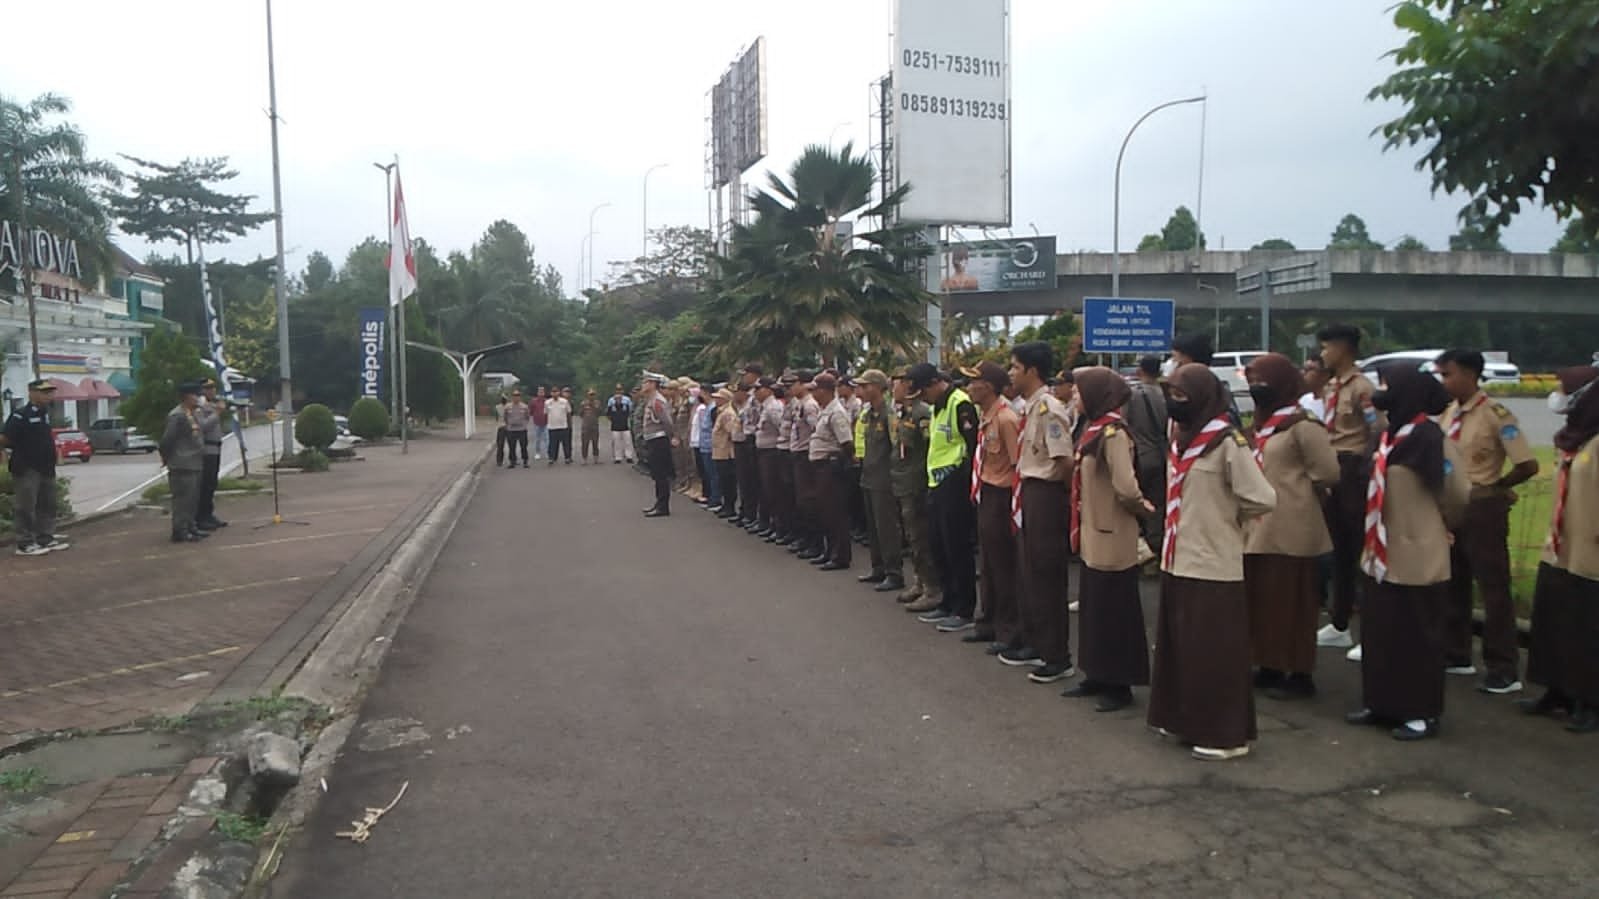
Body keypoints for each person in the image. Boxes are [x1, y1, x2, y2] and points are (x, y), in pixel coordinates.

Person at [1148, 364, 1277, 760]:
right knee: (1181, 648)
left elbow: (1262, 498)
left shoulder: (1225, 442)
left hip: (1212, 562)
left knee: (1214, 650)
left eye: (1181, 396)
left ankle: (1225, 734)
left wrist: (1226, 519)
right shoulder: (1180, 440)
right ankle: (1186, 720)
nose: (1174, 403)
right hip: (1177, 558)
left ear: (1202, 397)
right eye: (1171, 395)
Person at [1347, 366, 1467, 742]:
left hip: (1417, 553)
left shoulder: (1431, 439)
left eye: (1388, 386)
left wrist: (1439, 524)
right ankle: (1381, 702)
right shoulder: (1386, 435)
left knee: (1417, 636)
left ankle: (1421, 712)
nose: (1380, 392)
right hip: (1380, 552)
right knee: (1381, 632)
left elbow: (1458, 493)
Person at [1437, 348, 1540, 695]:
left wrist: (1499, 487)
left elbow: (1527, 464)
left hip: (1482, 505)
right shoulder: (1449, 413)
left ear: (1469, 374)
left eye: (1448, 374)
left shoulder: (1495, 414)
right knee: (1454, 581)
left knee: (1492, 587)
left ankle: (1503, 667)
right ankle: (1457, 652)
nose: (1444, 381)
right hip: (1453, 506)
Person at [1242, 354, 1340, 701]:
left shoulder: (1302, 425)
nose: (1256, 387)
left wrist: (1299, 490)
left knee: (1293, 603)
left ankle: (1299, 673)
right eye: (1252, 380)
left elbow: (1328, 472)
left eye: (1262, 380)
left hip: (1293, 526)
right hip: (1257, 526)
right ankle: (1269, 665)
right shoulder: (1259, 424)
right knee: (1264, 602)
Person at [1063, 366, 1154, 712]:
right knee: (1095, 607)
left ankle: (1119, 684)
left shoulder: (1114, 433)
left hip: (1112, 532)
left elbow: (1126, 487)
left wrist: (1143, 509)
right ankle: (1096, 674)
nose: (1074, 395)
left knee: (1115, 609)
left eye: (1079, 391)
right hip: (1094, 532)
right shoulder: (1094, 429)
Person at [1523, 366, 1599, 733]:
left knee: (1588, 625)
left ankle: (1591, 701)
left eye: (1565, 391)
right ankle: (1557, 690)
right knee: (1555, 619)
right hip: (1560, 548)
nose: (1558, 397)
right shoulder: (1574, 439)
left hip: (1591, 552)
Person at [1005, 344, 1077, 683]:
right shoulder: (1030, 407)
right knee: (1030, 572)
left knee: (1047, 576)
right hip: (1030, 493)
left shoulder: (1049, 408)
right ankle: (1037, 643)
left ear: (1032, 371)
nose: (1010, 374)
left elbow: (1064, 462)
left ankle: (1057, 656)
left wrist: (1057, 499)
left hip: (1046, 494)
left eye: (1015, 367)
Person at [1315, 324, 1383, 657]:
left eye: (1327, 347)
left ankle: (1369, 631)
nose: (1323, 353)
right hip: (1333, 466)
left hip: (1353, 468)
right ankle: (1339, 622)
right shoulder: (1331, 386)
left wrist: (1363, 467)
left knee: (1359, 548)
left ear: (1343, 348)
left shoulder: (1362, 388)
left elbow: (1376, 429)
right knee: (1338, 548)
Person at [904, 363, 981, 635]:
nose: (923, 398)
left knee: (957, 549)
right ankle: (948, 602)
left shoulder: (960, 404)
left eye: (924, 391)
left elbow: (971, 447)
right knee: (939, 546)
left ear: (935, 382)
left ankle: (964, 609)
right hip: (936, 483)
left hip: (954, 485)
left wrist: (962, 482)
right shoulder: (938, 406)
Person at [962, 361, 1023, 648]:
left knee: (1003, 565)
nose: (969, 388)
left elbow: (1016, 465)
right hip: (986, 492)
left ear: (987, 386)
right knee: (987, 564)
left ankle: (1008, 629)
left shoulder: (1006, 419)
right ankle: (988, 621)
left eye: (973, 382)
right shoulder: (986, 416)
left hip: (1002, 496)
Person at [893, 370, 942, 610]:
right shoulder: (906, 412)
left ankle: (932, 588)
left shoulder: (922, 413)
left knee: (921, 537)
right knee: (912, 537)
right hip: (903, 481)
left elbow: (927, 447)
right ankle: (920, 582)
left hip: (916, 483)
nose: (893, 390)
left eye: (897, 384)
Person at [1, 379, 68, 555]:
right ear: (32, 393)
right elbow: (5, 438)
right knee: (26, 506)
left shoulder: (45, 413)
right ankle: (25, 543)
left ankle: (45, 537)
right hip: (27, 467)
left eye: (50, 392)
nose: (49, 395)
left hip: (46, 467)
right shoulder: (20, 415)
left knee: (48, 504)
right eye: (44, 392)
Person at [855, 370, 905, 593]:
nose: (862, 390)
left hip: (884, 478)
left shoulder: (889, 414)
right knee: (873, 528)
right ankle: (878, 567)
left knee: (886, 527)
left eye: (866, 386)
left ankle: (894, 572)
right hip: (869, 475)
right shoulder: (869, 413)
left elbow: (896, 447)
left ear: (877, 387)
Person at [1123, 354, 1169, 560]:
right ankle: (1156, 546)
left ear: (1140, 371)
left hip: (1140, 456)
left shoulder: (1133, 395)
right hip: (1162, 455)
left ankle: (1142, 551)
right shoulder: (1165, 394)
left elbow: (1124, 423)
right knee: (1158, 505)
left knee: (1138, 503)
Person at [808, 373, 856, 571]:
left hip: (831, 466)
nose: (813, 394)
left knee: (835, 512)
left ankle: (840, 555)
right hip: (820, 467)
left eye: (815, 390)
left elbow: (847, 443)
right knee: (825, 511)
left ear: (825, 390)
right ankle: (830, 551)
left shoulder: (836, 412)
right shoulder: (824, 410)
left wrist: (840, 462)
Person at [161, 381, 211, 544]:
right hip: (182, 463)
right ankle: (180, 531)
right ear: (187, 396)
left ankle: (191, 526)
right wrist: (167, 458)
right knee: (183, 500)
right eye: (196, 395)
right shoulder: (177, 415)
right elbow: (167, 439)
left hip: (194, 462)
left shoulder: (191, 413)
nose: (198, 398)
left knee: (192, 499)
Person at [1169, 333, 1242, 427]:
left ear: (1189, 359)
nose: (1173, 363)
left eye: (1175, 357)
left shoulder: (1220, 396)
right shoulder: (1177, 394)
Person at [788, 374, 823, 560]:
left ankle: (815, 543)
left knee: (808, 500)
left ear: (803, 384)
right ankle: (806, 539)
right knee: (801, 500)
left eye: (794, 384)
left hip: (806, 455)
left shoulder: (809, 405)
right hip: (798, 453)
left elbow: (816, 430)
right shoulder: (799, 403)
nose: (790, 388)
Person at [191, 379, 229, 531]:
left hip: (216, 448)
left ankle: (208, 514)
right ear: (201, 390)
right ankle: (201, 517)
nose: (212, 390)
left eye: (213, 387)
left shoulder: (212, 405)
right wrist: (217, 413)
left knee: (212, 484)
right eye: (208, 388)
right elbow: (203, 426)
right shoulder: (199, 407)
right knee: (205, 485)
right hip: (206, 449)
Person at [639, 372, 677, 517]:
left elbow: (667, 421)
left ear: (652, 384)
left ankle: (663, 506)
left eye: (645, 382)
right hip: (652, 439)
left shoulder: (657, 401)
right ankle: (659, 503)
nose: (643, 385)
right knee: (656, 474)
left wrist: (671, 436)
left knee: (660, 474)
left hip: (659, 440)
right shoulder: (652, 399)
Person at [755, 378, 789, 540]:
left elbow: (781, 428)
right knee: (767, 490)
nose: (756, 392)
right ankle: (773, 524)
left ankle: (780, 527)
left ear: (768, 389)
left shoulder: (773, 407)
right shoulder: (765, 406)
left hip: (772, 452)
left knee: (775, 491)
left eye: (758, 389)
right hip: (765, 452)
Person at [734, 366, 764, 528]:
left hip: (754, 439)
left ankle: (755, 515)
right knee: (746, 480)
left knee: (754, 481)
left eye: (746, 374)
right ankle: (748, 513)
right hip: (747, 439)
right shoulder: (750, 397)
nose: (744, 377)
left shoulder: (757, 397)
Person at [711, 387, 739, 518]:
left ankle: (730, 507)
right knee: (723, 481)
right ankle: (726, 505)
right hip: (719, 451)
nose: (716, 400)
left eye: (718, 398)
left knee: (728, 482)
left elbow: (731, 432)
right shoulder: (721, 412)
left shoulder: (727, 413)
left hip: (726, 452)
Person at [693, 388, 720, 508]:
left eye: (702, 393)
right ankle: (710, 497)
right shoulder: (707, 407)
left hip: (710, 445)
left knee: (713, 474)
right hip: (704, 444)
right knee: (708, 473)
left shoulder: (713, 408)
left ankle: (715, 499)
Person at [503, 389, 531, 469]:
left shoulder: (524, 406)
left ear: (520, 397)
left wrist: (524, 424)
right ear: (512, 397)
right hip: (511, 430)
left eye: (518, 395)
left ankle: (525, 461)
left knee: (524, 446)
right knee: (512, 447)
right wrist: (508, 425)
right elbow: (505, 417)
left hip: (522, 430)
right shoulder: (507, 406)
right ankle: (512, 461)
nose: (516, 397)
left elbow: (527, 417)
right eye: (514, 396)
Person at [606, 385, 635, 464]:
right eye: (617, 390)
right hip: (615, 426)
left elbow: (630, 411)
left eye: (620, 389)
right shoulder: (611, 400)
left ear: (622, 390)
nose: (618, 391)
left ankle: (629, 456)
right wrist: (613, 420)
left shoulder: (627, 400)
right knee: (617, 442)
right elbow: (608, 413)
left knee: (627, 442)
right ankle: (618, 457)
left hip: (625, 425)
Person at [546, 387, 574, 465]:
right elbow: (546, 413)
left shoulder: (565, 402)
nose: (555, 393)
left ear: (559, 393)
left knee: (566, 443)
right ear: (551, 393)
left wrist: (569, 424)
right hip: (552, 426)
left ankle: (567, 457)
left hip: (563, 426)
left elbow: (569, 413)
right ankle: (552, 458)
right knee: (553, 443)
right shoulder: (547, 402)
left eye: (556, 392)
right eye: (553, 392)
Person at [579, 389, 603, 464]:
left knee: (595, 442)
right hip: (586, 426)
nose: (591, 396)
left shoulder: (597, 403)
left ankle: (596, 458)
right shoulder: (583, 403)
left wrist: (595, 406)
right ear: (587, 395)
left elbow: (600, 413)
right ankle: (584, 459)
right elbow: (580, 414)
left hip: (594, 425)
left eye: (593, 394)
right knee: (585, 443)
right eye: (590, 394)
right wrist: (585, 407)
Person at [531, 386, 550, 461]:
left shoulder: (547, 401)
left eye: (542, 392)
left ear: (544, 393)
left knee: (547, 439)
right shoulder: (533, 401)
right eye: (540, 392)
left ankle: (548, 452)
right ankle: (537, 453)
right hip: (537, 422)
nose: (541, 393)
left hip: (546, 422)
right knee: (537, 439)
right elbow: (531, 411)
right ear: (537, 393)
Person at [495, 395, 510, 467]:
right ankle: (512, 460)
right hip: (508, 427)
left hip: (501, 427)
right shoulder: (509, 406)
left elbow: (496, 418)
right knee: (511, 444)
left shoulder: (497, 407)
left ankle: (499, 461)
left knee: (500, 445)